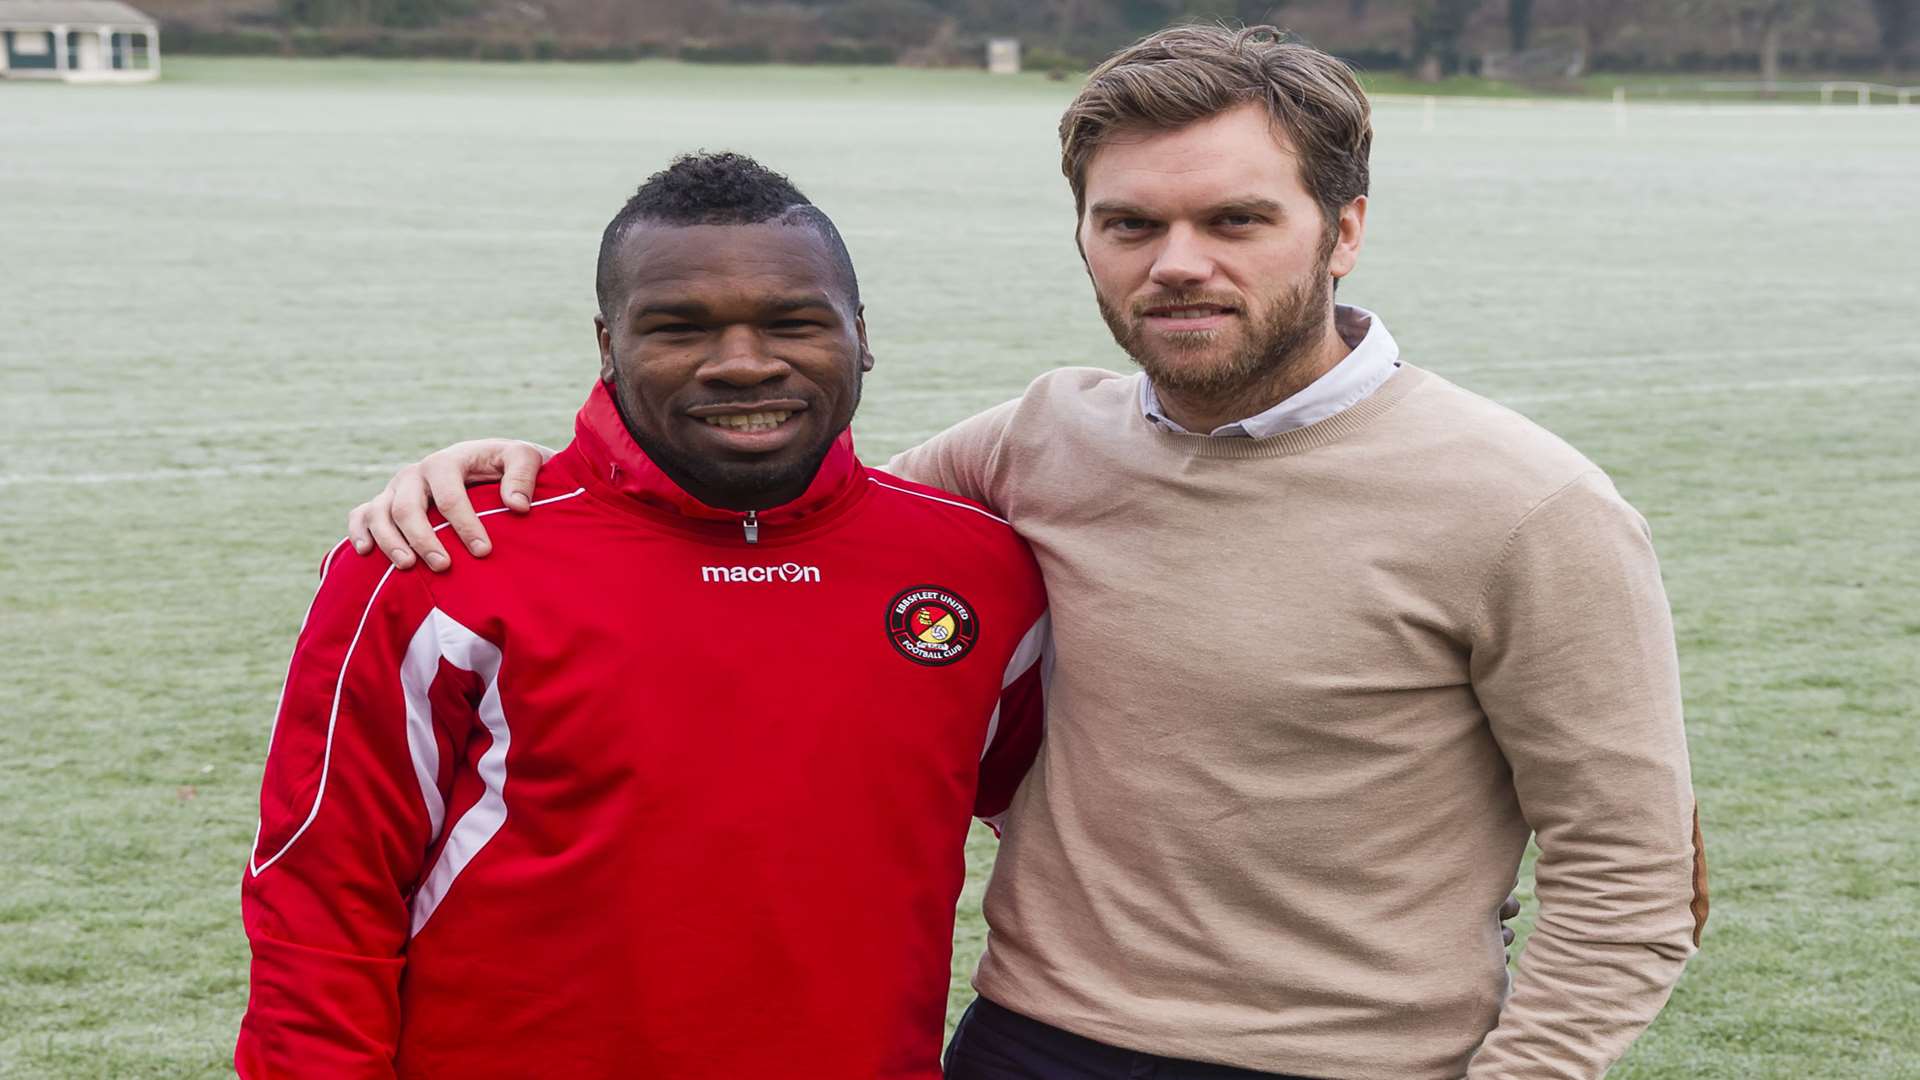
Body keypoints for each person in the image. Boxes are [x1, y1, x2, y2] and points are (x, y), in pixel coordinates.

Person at [350, 26, 1707, 1080]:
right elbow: (792, 524)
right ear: (1085, 237)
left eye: (1237, 221)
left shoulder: (1529, 506)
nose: (1178, 263)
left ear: (1343, 230)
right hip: (1028, 1044)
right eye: (1131, 225)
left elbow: (1633, 870)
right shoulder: (1042, 440)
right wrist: (535, 474)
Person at [236, 153, 1052, 1079]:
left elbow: (1076, 825)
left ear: (861, 334)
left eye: (793, 321)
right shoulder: (437, 562)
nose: (745, 363)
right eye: (678, 328)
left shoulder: (979, 570)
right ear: (606, 343)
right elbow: (320, 895)